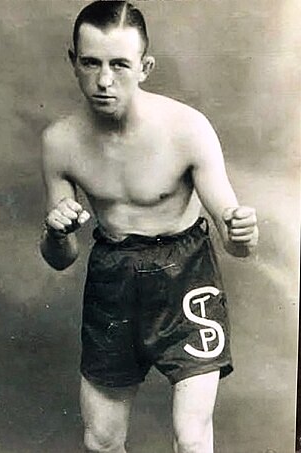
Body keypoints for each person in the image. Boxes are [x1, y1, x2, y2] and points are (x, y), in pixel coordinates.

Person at [40, 2, 259, 452]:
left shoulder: (187, 129)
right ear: (73, 62)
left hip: (188, 275)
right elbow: (60, 260)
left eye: (119, 64)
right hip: (113, 277)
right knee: (101, 441)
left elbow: (236, 242)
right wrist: (57, 233)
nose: (104, 80)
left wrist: (242, 234)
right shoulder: (60, 142)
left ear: (145, 67)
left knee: (192, 437)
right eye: (91, 63)